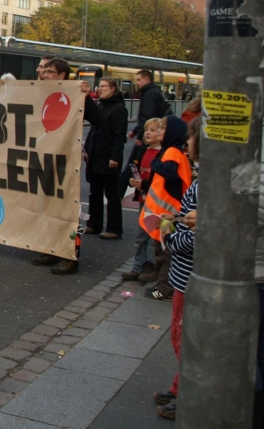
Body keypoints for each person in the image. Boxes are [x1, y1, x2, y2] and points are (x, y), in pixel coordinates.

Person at [153, 116, 201, 421]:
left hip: (189, 276)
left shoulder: (205, 185)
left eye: (191, 138)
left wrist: (169, 234)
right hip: (185, 276)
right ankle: (179, 386)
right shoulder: (202, 181)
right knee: (180, 335)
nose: (186, 143)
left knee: (185, 337)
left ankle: (189, 396)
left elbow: (194, 238)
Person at [32, 57, 82, 275]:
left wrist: (85, 96)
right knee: (47, 207)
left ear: (61, 75)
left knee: (65, 209)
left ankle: (70, 255)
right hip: (44, 159)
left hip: (65, 162)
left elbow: (101, 122)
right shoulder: (42, 92)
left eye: (49, 71)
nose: (44, 75)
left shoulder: (75, 94)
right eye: (44, 71)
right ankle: (52, 248)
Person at [142, 116, 192, 302]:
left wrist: (155, 163)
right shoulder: (175, 151)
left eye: (163, 128)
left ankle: (165, 288)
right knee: (164, 251)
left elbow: (169, 173)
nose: (159, 131)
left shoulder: (171, 151)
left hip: (166, 214)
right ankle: (163, 285)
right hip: (168, 212)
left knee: (165, 252)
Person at [82, 76, 129, 239]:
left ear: (113, 89)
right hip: (95, 156)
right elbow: (94, 130)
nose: (100, 89)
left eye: (104, 86)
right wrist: (86, 149)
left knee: (111, 194)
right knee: (94, 192)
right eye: (99, 86)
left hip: (108, 157)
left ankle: (114, 228)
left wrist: (115, 157)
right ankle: (94, 224)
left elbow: (119, 135)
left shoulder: (119, 109)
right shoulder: (100, 106)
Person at [121, 118, 165, 282]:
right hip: (143, 198)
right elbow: (138, 170)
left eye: (152, 130)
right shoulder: (143, 151)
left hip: (155, 201)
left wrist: (144, 184)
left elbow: (160, 180)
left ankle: (151, 267)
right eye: (146, 130)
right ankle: (137, 267)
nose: (147, 133)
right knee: (140, 236)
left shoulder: (163, 154)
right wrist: (133, 181)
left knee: (152, 236)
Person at [120, 70, 170, 199]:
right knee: (136, 163)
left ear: (147, 79)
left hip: (149, 134)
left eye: (139, 79)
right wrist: (135, 131)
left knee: (133, 164)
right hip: (153, 132)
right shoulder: (153, 92)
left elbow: (147, 115)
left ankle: (119, 192)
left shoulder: (149, 94)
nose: (137, 83)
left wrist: (141, 135)